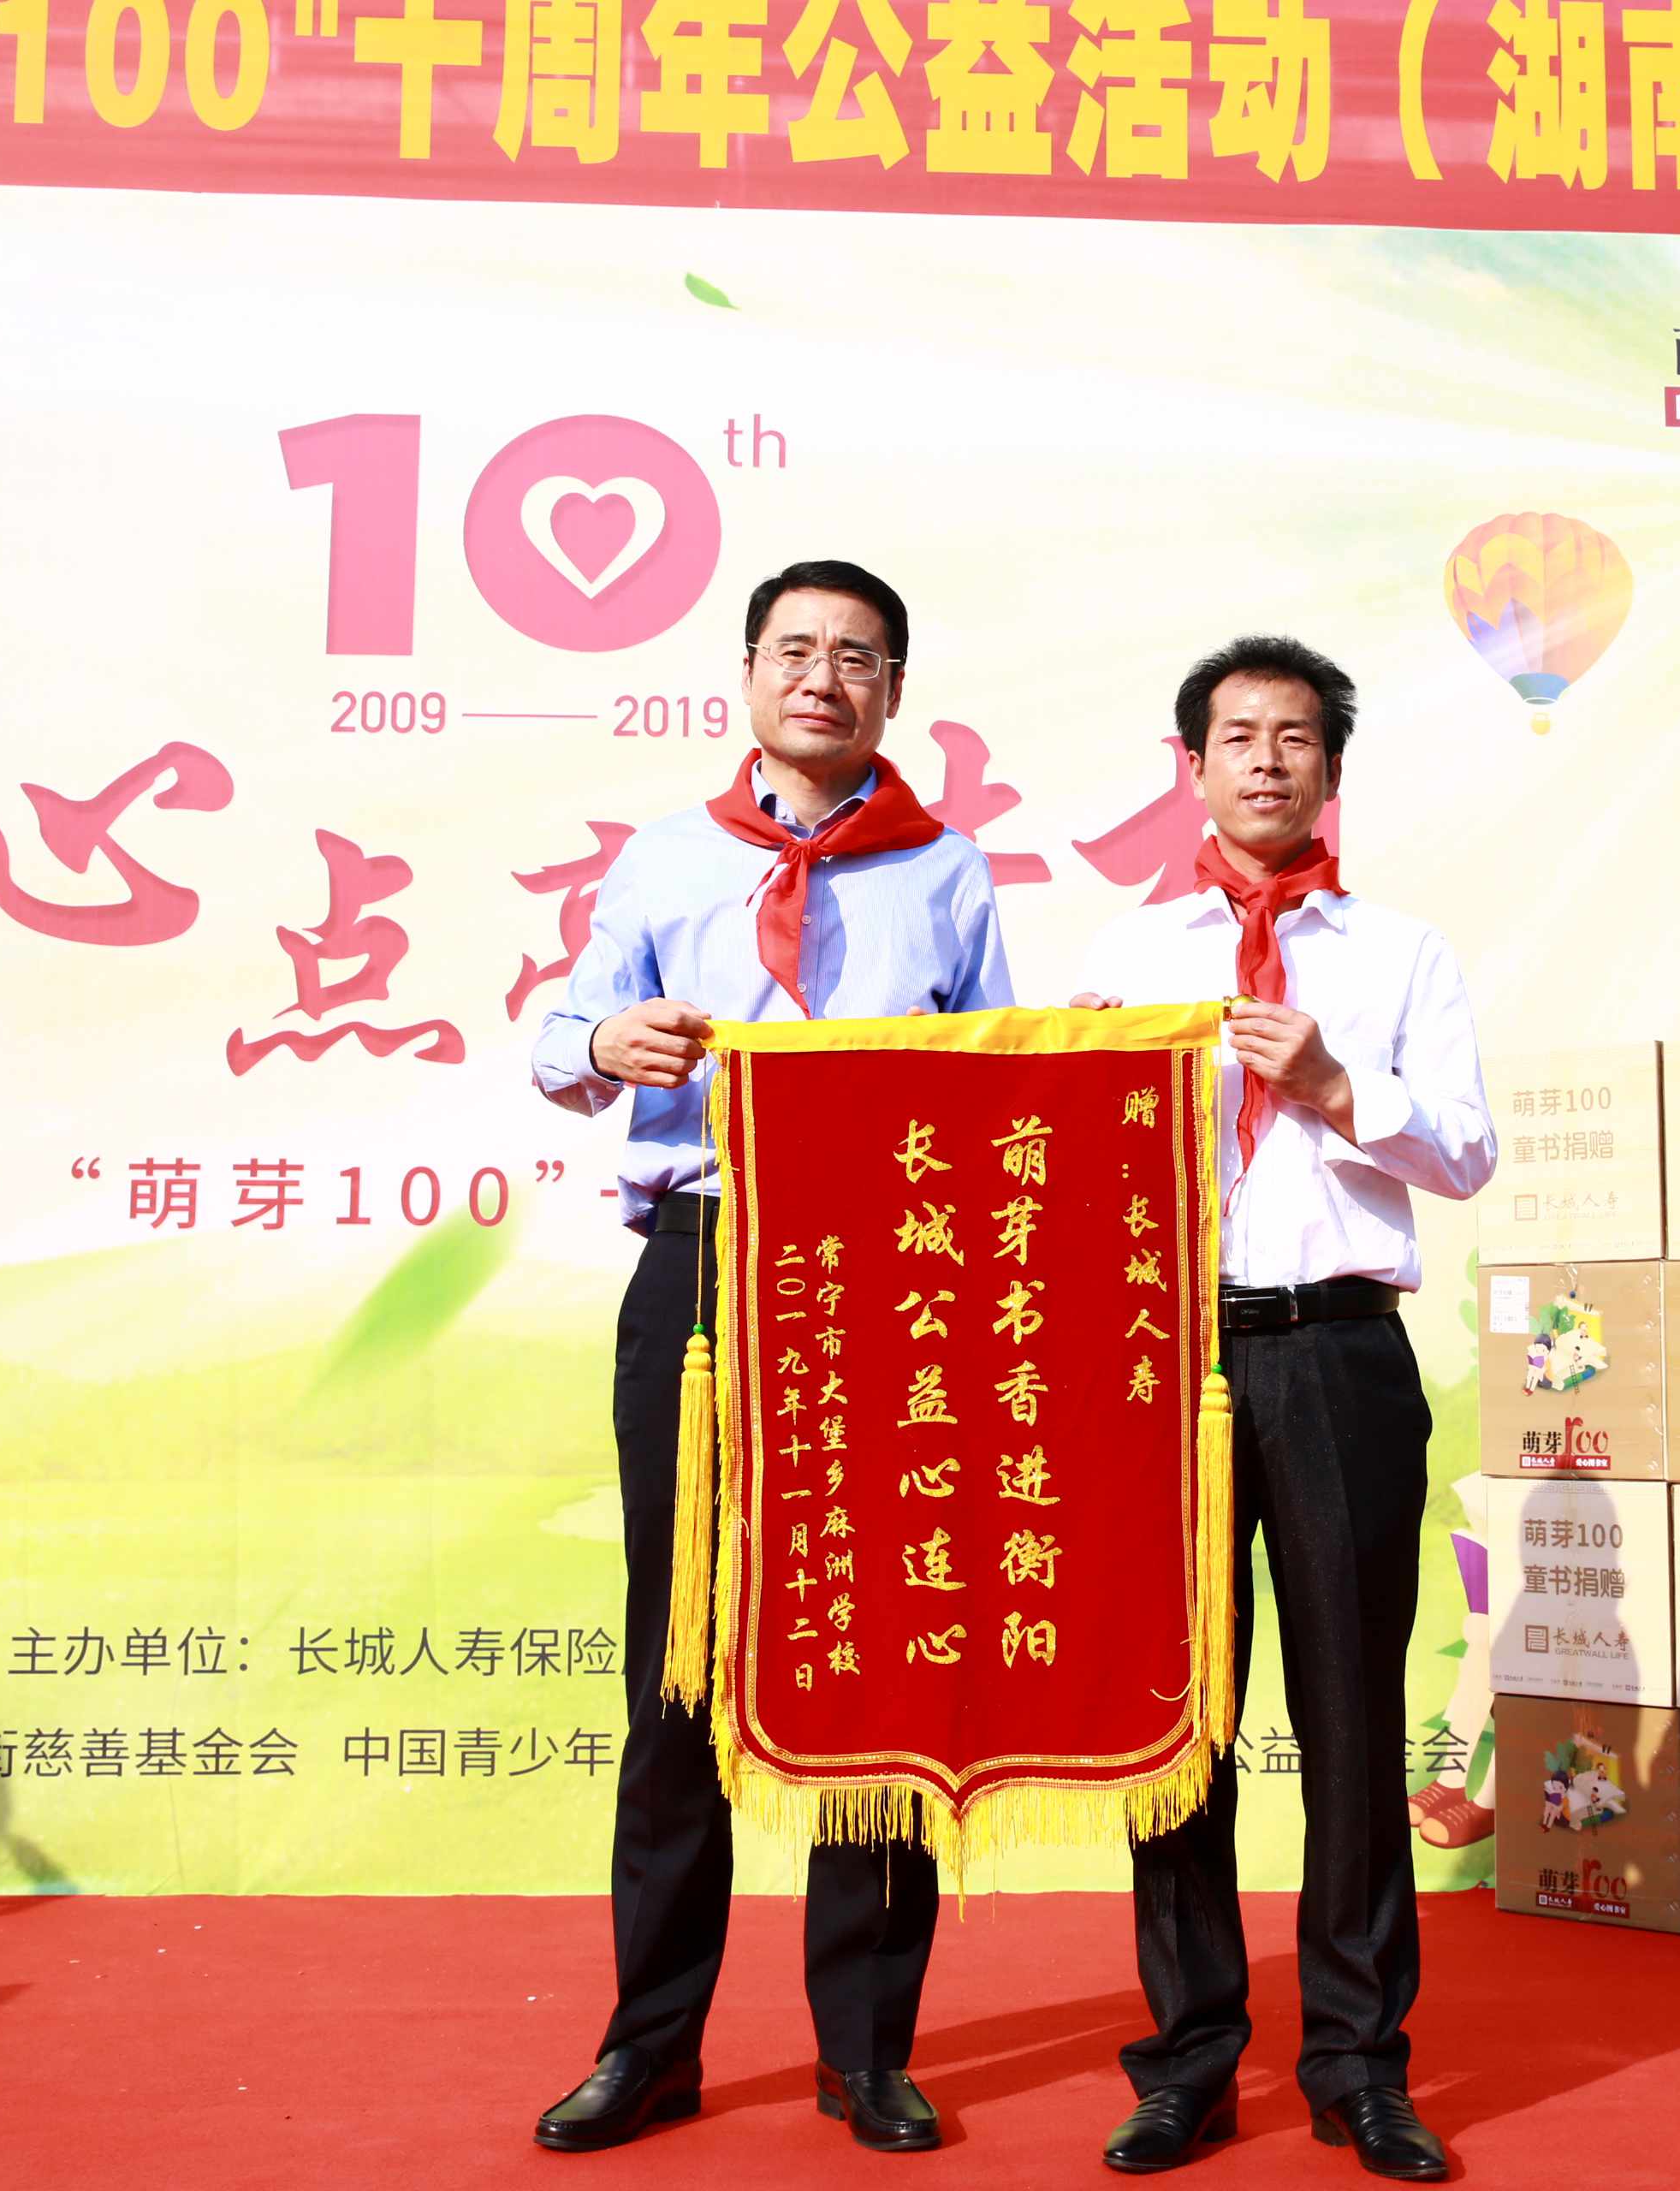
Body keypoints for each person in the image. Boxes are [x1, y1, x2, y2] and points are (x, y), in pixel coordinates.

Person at [526, 559, 1012, 2157]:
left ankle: (866, 2051)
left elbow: (1000, 1081)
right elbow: (560, 1041)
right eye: (795, 649)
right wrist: (609, 1042)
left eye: (857, 656)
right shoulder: (667, 859)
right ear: (746, 675)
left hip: (892, 1288)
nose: (823, 676)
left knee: (879, 1665)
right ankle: (649, 2045)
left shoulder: (946, 871)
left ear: (893, 691)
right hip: (704, 1268)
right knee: (680, 1664)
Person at [1070, 635, 1495, 2182]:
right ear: (1193, 766)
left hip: (1338, 1356)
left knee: (1350, 1719)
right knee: (1177, 1724)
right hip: (1163, 1363)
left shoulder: (1400, 953)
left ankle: (1360, 2067)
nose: (1265, 759)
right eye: (1237, 734)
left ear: (1331, 768)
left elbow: (1465, 1153)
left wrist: (1332, 1086)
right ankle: (1187, 2063)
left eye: (1294, 736)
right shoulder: (1127, 956)